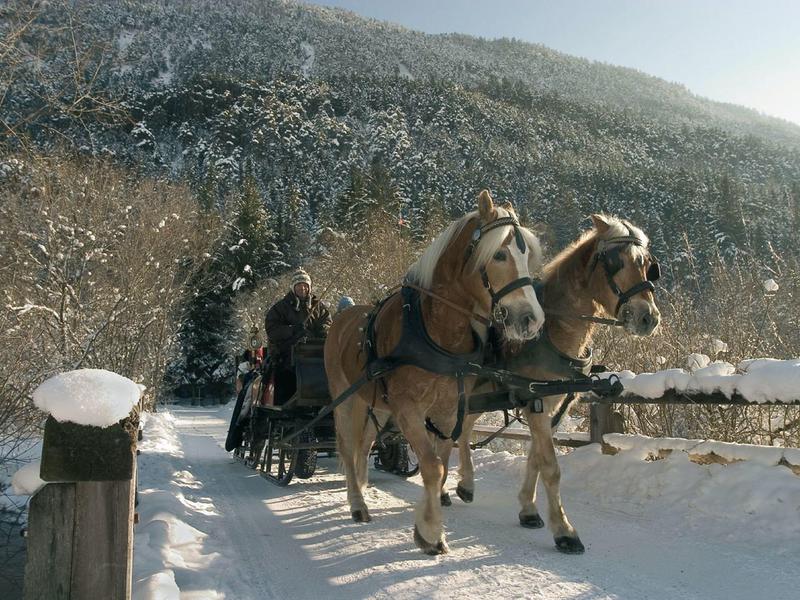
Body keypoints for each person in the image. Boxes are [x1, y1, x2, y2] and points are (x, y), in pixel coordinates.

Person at [264, 268, 332, 404]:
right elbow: (272, 330)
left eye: (305, 286)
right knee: (285, 375)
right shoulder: (281, 308)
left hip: (316, 354)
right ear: (293, 288)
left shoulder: (319, 307)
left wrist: (319, 333)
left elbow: (328, 323)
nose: (303, 289)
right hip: (287, 357)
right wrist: (292, 330)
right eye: (299, 285)